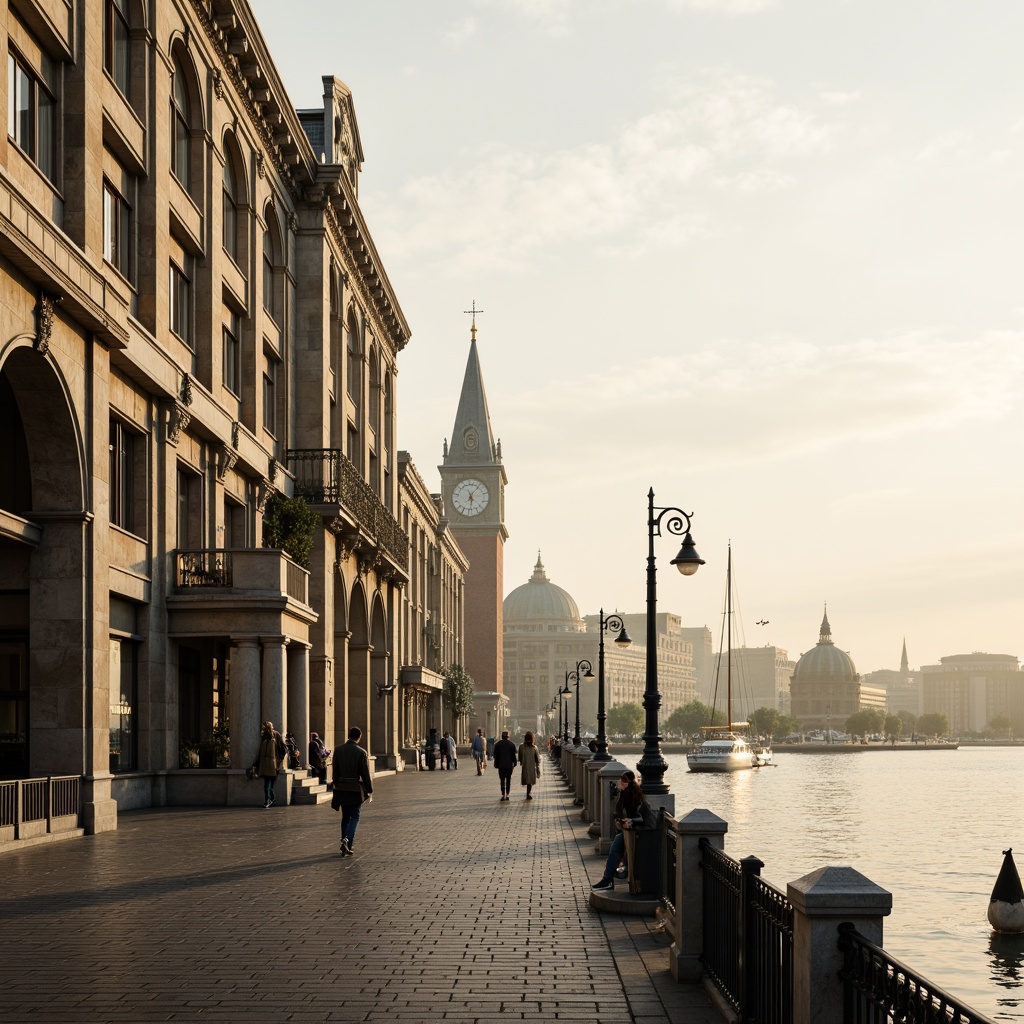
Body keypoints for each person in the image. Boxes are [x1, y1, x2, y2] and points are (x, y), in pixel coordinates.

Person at [592, 770, 656, 890]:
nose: (619, 783)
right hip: (629, 831)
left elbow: (644, 819)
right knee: (616, 845)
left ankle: (608, 879)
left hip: (639, 833)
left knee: (616, 845)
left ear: (628, 783)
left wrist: (631, 821)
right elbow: (618, 812)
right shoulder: (625, 795)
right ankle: (609, 878)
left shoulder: (637, 799)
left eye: (622, 781)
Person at [332, 726, 373, 856]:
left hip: (342, 788)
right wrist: (369, 789)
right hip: (355, 789)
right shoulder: (361, 752)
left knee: (345, 817)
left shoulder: (338, 750)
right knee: (355, 816)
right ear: (359, 737)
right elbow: (365, 773)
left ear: (348, 735)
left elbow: (335, 771)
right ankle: (347, 840)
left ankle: (346, 843)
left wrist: (336, 783)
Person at [253, 721, 285, 808]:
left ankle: (268, 800)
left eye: (264, 728)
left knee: (268, 784)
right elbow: (260, 752)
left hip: (273, 764)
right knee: (268, 784)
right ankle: (271, 799)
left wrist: (279, 760)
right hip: (264, 764)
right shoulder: (264, 737)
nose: (262, 730)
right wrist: (256, 763)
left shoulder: (275, 735)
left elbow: (283, 748)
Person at [492, 730, 518, 801]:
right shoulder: (512, 744)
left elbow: (495, 755)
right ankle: (507, 793)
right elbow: (513, 756)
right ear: (508, 736)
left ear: (502, 736)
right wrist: (515, 763)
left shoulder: (497, 744)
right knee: (508, 779)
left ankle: (503, 793)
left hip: (501, 765)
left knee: (502, 780)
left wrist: (496, 764)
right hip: (509, 766)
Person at [518, 730, 541, 800]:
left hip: (525, 765)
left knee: (527, 779)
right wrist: (538, 769)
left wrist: (522, 762)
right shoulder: (534, 748)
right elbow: (537, 759)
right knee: (530, 781)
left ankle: (528, 793)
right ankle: (528, 793)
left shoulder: (521, 746)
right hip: (532, 766)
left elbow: (519, 756)